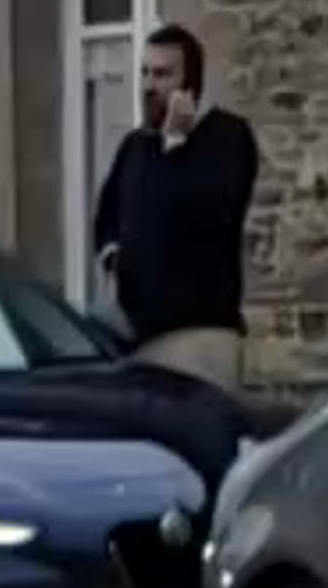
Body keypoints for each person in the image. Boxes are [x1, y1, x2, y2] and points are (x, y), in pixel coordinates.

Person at [91, 23, 260, 389]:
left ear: (190, 85)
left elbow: (213, 215)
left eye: (162, 74)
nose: (148, 86)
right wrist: (115, 258)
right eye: (144, 73)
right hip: (136, 339)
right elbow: (106, 219)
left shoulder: (228, 137)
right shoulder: (135, 146)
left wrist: (174, 146)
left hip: (200, 337)